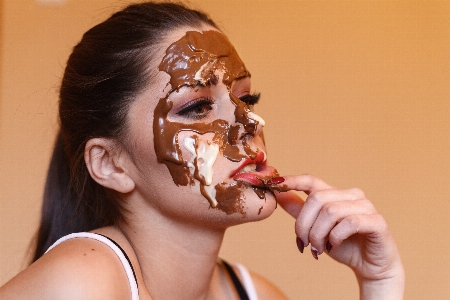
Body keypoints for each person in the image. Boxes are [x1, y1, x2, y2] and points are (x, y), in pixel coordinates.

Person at [0, 2, 404, 299]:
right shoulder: (82, 284)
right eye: (196, 107)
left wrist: (380, 283)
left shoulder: (256, 295)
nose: (248, 124)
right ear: (110, 164)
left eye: (248, 99)